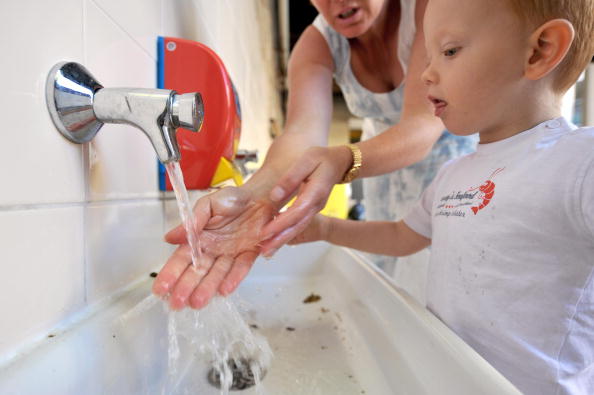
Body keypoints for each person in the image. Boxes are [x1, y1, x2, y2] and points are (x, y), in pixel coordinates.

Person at [289, 0, 594, 393]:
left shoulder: (579, 162)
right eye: (429, 56)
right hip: (444, 377)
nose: (426, 74)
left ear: (540, 50)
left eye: (449, 52)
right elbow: (402, 237)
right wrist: (324, 228)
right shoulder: (455, 175)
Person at [153, 0, 477, 311]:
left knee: (442, 285)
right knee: (389, 284)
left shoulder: (428, 10)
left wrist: (343, 160)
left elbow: (422, 125)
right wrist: (252, 194)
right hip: (382, 175)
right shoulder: (317, 44)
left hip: (448, 168)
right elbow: (300, 137)